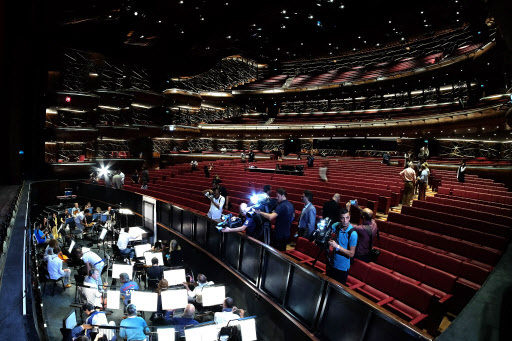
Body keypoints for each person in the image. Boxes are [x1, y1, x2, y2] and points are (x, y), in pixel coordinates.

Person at [327, 208, 358, 285]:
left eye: (347, 218)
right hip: (332, 263)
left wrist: (337, 246)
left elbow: (351, 254)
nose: (345, 220)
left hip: (342, 268)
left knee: (337, 291)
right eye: (342, 218)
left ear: (350, 217)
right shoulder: (337, 226)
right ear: (339, 218)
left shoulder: (353, 234)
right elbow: (327, 231)